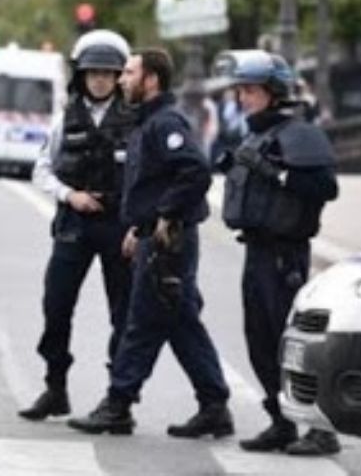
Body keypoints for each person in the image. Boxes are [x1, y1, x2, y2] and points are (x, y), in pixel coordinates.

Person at [68, 48, 233, 438]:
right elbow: (151, 184)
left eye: (129, 73)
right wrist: (139, 227)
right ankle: (214, 405)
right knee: (181, 322)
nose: (122, 80)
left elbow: (195, 171)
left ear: (151, 79)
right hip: (155, 236)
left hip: (169, 240)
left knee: (142, 321)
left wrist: (164, 214)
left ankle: (118, 404)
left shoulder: (165, 123)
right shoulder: (147, 121)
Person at [214, 50, 341, 456]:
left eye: (250, 90)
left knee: (293, 345)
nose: (242, 98)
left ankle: (320, 429)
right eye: (240, 90)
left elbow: (325, 188)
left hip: (285, 256)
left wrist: (275, 173)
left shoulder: (300, 134)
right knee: (259, 340)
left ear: (274, 92)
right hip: (256, 251)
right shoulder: (255, 134)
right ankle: (282, 422)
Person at [19, 30, 135, 421]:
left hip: (119, 225)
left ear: (118, 76)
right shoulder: (64, 119)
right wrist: (71, 195)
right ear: (81, 76)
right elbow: (41, 170)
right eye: (93, 73)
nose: (100, 80)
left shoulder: (135, 121)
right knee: (56, 305)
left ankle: (118, 400)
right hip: (74, 223)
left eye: (107, 73)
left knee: (123, 313)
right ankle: (55, 387)